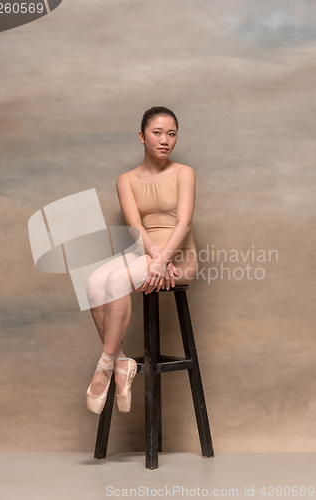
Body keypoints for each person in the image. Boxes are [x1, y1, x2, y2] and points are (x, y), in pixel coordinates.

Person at [86, 106, 198, 415]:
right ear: (141, 136)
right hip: (146, 254)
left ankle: (105, 366)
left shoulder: (183, 172)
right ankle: (121, 360)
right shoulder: (126, 180)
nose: (165, 140)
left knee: (118, 279)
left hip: (179, 258)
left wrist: (163, 261)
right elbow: (135, 228)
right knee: (94, 281)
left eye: (171, 134)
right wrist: (155, 258)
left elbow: (183, 224)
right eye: (157, 132)